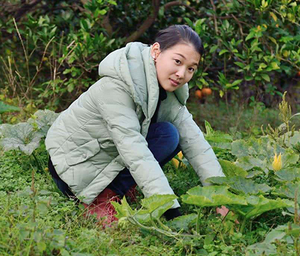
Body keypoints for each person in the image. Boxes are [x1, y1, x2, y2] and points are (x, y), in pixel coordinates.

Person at [45, 24, 224, 226]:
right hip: (73, 165)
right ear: (156, 51)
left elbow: (196, 144)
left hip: (107, 156)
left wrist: (222, 196)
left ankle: (116, 188)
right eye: (177, 61)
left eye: (190, 68)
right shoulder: (117, 85)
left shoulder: (170, 91)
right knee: (148, 143)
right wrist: (170, 211)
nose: (182, 74)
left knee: (169, 135)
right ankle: (98, 199)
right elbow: (134, 149)